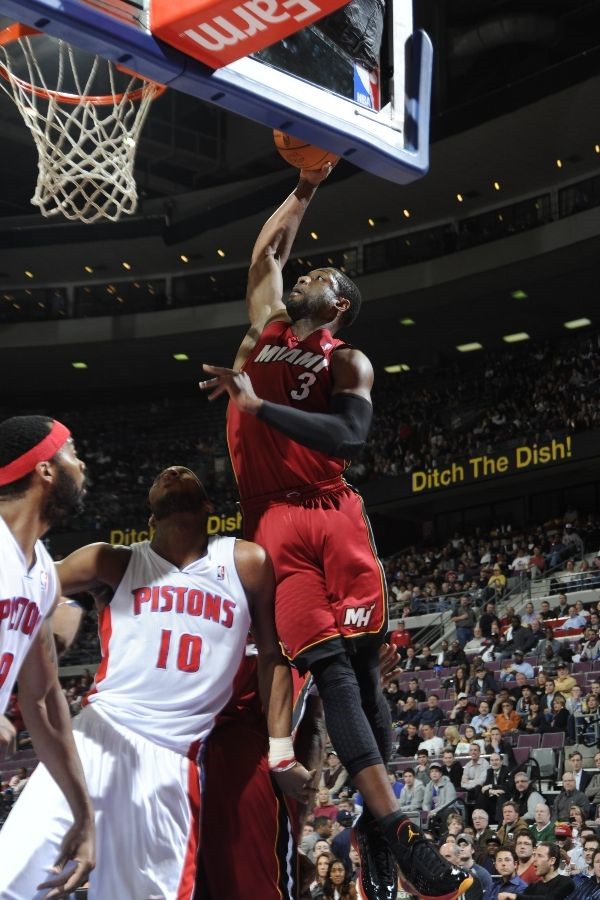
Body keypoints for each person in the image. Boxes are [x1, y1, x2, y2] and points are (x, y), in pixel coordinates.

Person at [200, 170, 472, 900]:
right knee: (330, 670)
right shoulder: (264, 327)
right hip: (275, 520)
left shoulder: (348, 360)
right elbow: (266, 256)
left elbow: (350, 434)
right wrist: (306, 186)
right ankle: (395, 829)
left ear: (340, 304)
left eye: (322, 273)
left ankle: (373, 834)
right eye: (307, 265)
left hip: (333, 510)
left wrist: (258, 408)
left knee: (365, 671)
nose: (306, 271)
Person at [0, 465, 312, 899]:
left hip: (172, 758)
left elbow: (273, 660)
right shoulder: (113, 560)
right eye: (164, 475)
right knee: (10, 876)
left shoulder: (245, 561)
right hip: (97, 736)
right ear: (151, 518)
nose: (175, 469)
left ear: (208, 508)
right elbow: (19, 583)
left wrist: (280, 752)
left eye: (186, 475)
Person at [0, 414, 94, 896]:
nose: (82, 463)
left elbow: (42, 701)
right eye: (72, 452)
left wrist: (84, 814)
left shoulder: (40, 574)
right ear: (46, 470)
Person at [497, 841, 574, 899]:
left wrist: (515, 897)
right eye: (534, 855)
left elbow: (551, 898)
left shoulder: (566, 882)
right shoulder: (533, 887)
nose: (534, 860)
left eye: (540, 856)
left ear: (552, 861)